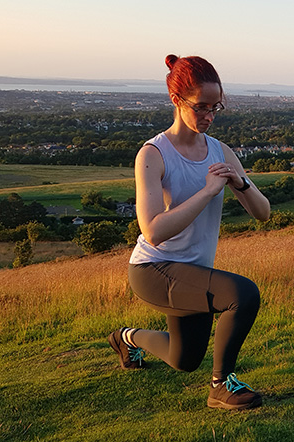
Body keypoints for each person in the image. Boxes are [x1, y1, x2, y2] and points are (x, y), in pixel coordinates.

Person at [107, 54, 270, 410]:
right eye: (201, 107)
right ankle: (221, 385)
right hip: (153, 269)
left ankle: (126, 338)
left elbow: (263, 214)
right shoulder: (153, 154)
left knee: (184, 359)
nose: (209, 117)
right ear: (176, 100)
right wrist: (209, 190)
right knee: (242, 294)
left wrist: (241, 183)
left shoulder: (220, 150)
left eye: (216, 108)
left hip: (192, 272)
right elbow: (152, 231)